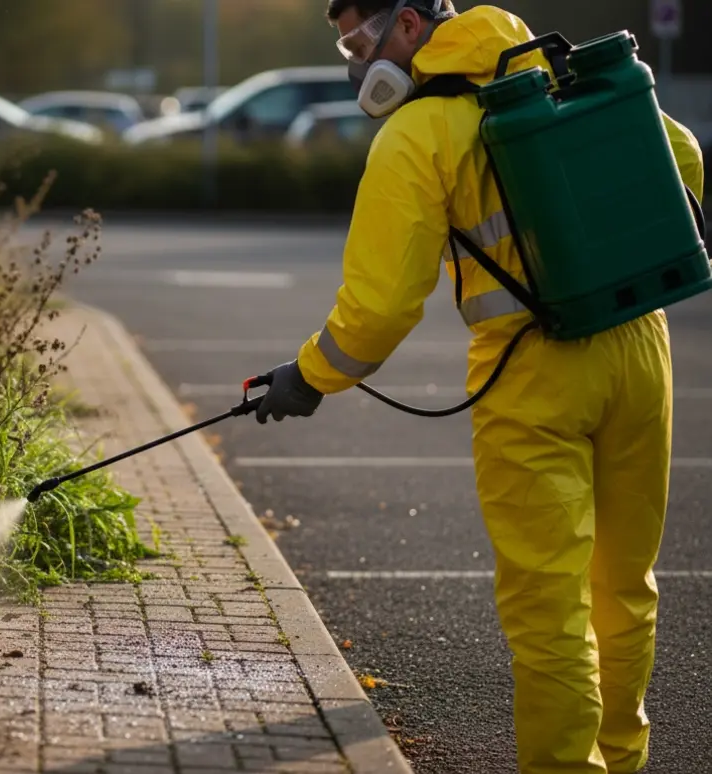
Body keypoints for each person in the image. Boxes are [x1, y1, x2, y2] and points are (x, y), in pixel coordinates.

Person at [250, 1, 706, 772]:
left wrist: (309, 377)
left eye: (360, 38)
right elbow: (684, 156)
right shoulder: (550, 71)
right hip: (638, 346)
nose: (356, 60)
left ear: (411, 23)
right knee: (625, 588)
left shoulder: (418, 133)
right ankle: (622, 762)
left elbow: (381, 306)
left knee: (549, 608)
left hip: (531, 374)